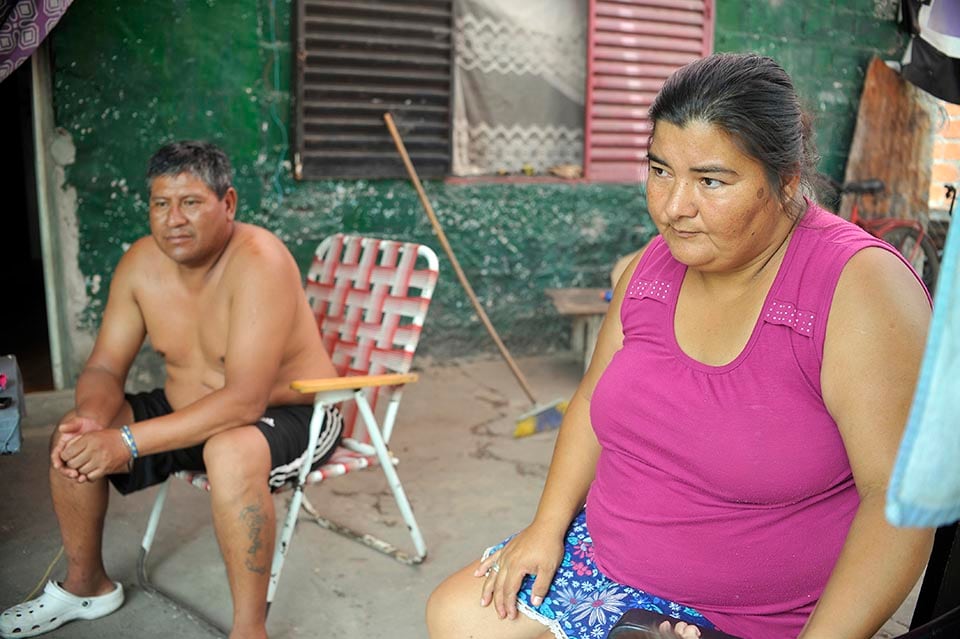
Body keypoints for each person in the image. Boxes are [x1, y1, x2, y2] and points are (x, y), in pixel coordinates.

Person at [426, 53, 936, 639]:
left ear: (787, 180)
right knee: (456, 615)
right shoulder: (651, 267)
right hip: (605, 565)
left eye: (711, 181)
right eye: (660, 169)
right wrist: (546, 526)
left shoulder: (859, 288)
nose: (673, 207)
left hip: (753, 614)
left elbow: (896, 503)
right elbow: (592, 401)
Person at [0, 141, 343, 639]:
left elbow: (245, 400)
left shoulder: (259, 258)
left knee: (229, 449)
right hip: (193, 410)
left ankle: (250, 631)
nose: (173, 219)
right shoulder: (141, 264)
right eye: (161, 204)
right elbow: (102, 366)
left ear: (228, 204)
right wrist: (94, 423)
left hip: (293, 412)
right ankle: (87, 586)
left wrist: (127, 443)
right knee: (71, 435)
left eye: (191, 203)